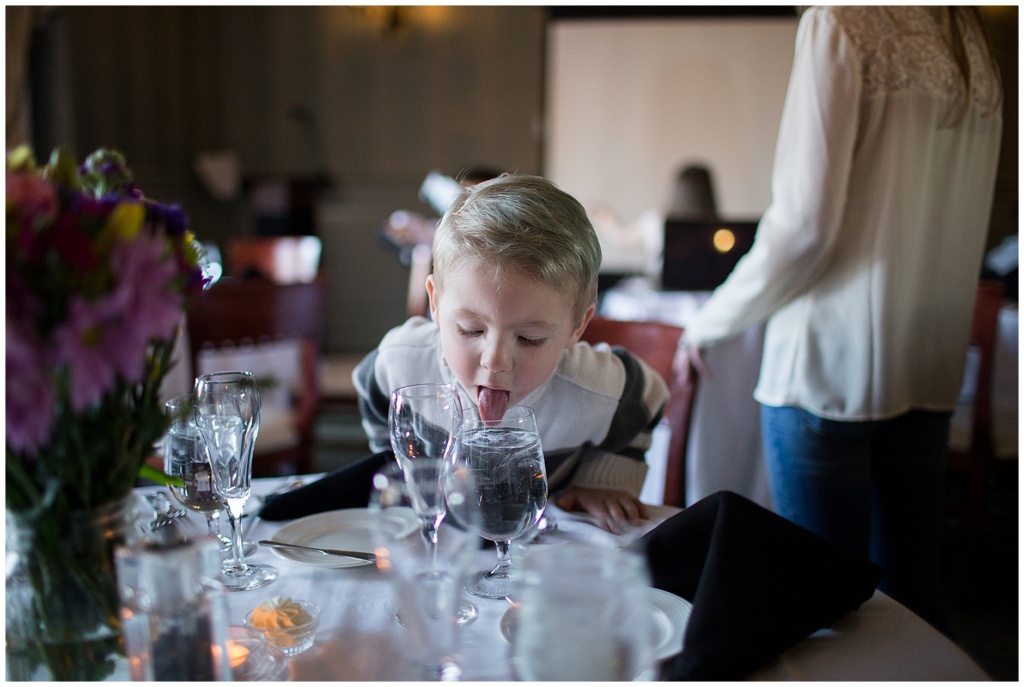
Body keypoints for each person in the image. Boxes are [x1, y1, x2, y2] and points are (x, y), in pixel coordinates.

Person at [680, 6, 1002, 635]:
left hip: (827, 367)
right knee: (911, 607)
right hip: (928, 361)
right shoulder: (973, 37)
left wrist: (709, 321)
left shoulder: (840, 20)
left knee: (823, 613)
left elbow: (804, 227)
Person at [355, 174, 670, 533]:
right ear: (436, 304)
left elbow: (648, 396)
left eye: (530, 338)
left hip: (545, 544)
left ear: (576, 328)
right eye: (471, 330)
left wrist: (602, 480)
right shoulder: (406, 361)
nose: (495, 360)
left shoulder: (590, 388)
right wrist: (400, 466)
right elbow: (373, 386)